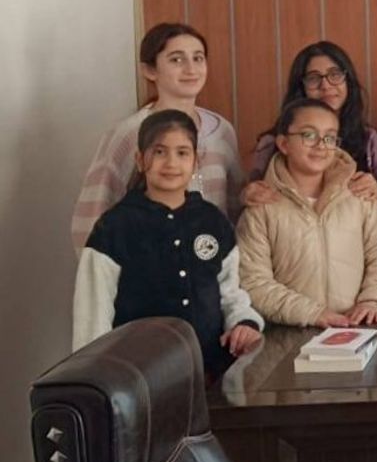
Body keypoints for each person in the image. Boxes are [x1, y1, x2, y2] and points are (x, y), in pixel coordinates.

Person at [72, 110, 263, 376]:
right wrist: (94, 378)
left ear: (196, 161)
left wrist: (244, 323)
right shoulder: (114, 228)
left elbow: (230, 293)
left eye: (182, 153)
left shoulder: (213, 222)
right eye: (159, 152)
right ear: (140, 160)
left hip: (211, 372)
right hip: (140, 375)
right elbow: (93, 317)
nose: (171, 163)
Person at [72, 22, 244, 252]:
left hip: (209, 265)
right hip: (148, 263)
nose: (191, 69)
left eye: (198, 58)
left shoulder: (222, 131)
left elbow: (234, 207)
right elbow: (93, 213)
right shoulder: (130, 133)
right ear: (150, 70)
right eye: (177, 60)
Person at [236, 99, 377, 328]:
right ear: (283, 143)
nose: (321, 145)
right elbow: (254, 282)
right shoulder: (262, 206)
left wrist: (373, 300)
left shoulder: (359, 196)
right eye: (309, 135)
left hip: (359, 327)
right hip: (290, 332)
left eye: (330, 137)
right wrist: (313, 313)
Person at [242, 41, 377, 206]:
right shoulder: (273, 141)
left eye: (335, 74)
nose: (325, 85)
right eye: (313, 78)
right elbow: (251, 194)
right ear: (301, 87)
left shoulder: (368, 138)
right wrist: (248, 195)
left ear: (348, 81)